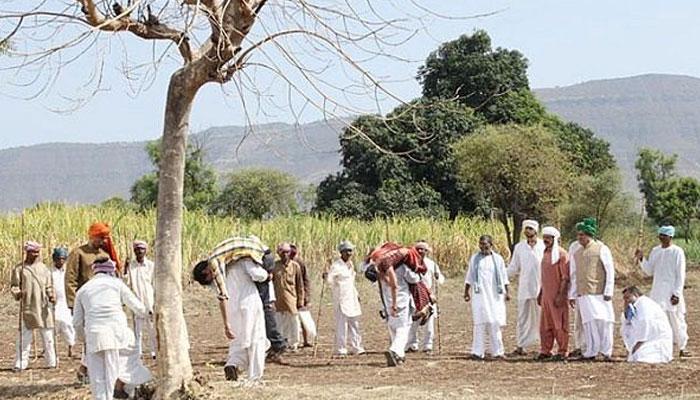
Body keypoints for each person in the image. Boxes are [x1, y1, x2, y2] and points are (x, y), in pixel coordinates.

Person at [73, 258, 151, 400]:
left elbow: (77, 322)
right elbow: (137, 307)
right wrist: (149, 313)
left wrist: (84, 339)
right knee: (118, 371)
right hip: (117, 336)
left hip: (94, 337)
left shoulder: (83, 290)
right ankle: (121, 386)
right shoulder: (116, 284)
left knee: (98, 381)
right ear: (111, 271)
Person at [635, 225, 689, 357]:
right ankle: (660, 346)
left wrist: (676, 293)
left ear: (670, 237)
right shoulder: (655, 251)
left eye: (664, 235)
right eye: (660, 235)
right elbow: (649, 270)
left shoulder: (677, 252)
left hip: (671, 291)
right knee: (657, 319)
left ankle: (682, 347)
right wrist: (642, 259)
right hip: (657, 291)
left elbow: (680, 274)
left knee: (676, 319)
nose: (661, 238)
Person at [568, 217, 615, 361]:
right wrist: (572, 294)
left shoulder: (601, 248)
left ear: (589, 235)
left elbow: (610, 270)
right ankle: (591, 351)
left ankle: (606, 352)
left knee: (604, 322)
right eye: (578, 235)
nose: (579, 237)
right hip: (583, 293)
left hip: (599, 293)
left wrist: (608, 291)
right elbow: (574, 274)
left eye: (582, 235)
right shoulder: (576, 251)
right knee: (588, 324)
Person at [11, 241, 57, 371]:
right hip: (28, 307)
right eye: (33, 252)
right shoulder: (19, 269)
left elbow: (49, 286)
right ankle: (20, 363)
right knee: (24, 338)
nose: (36, 254)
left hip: (43, 308)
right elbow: (14, 286)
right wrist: (18, 293)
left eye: (37, 252)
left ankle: (51, 362)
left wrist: (52, 296)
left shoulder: (44, 268)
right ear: (27, 252)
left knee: (48, 337)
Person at [464, 235, 510, 360]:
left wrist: (507, 292)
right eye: (481, 244)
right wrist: (466, 292)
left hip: (495, 296)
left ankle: (498, 352)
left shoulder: (498, 259)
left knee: (495, 322)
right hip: (480, 295)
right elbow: (470, 276)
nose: (483, 247)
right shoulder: (475, 259)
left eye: (485, 244)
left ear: (491, 245)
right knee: (480, 322)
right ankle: (477, 352)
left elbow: (504, 277)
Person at [507, 219, 545, 356]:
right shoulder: (520, 247)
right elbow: (514, 267)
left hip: (541, 289)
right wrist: (501, 276)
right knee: (522, 318)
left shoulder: (543, 245)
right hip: (524, 289)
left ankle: (544, 346)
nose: (528, 231)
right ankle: (521, 345)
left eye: (530, 228)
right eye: (526, 229)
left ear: (536, 230)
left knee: (542, 318)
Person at [536, 227, 570, 361]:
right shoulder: (544, 253)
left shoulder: (562, 254)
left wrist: (561, 295)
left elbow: (565, 278)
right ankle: (545, 350)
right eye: (545, 237)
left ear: (554, 239)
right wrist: (541, 293)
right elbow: (544, 277)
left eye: (549, 238)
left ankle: (562, 351)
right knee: (545, 324)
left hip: (557, 296)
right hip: (546, 296)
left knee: (559, 324)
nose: (546, 240)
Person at [326, 241, 365, 357]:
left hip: (351, 297)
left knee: (355, 323)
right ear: (341, 253)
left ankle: (356, 347)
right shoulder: (336, 266)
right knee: (341, 324)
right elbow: (330, 280)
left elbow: (351, 282)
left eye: (350, 251)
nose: (348, 253)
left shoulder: (351, 265)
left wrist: (356, 294)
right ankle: (341, 349)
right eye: (346, 251)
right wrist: (327, 276)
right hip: (341, 298)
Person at [406, 240, 444, 354]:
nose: (421, 251)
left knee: (429, 322)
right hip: (413, 295)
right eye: (419, 249)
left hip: (429, 296)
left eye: (423, 249)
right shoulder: (409, 263)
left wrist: (437, 276)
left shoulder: (431, 264)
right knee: (413, 321)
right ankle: (412, 344)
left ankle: (428, 345)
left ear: (427, 251)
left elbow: (441, 279)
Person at [381, 260, 421, 367]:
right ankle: (394, 350)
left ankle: (400, 355)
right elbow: (413, 279)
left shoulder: (382, 268)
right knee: (403, 328)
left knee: (393, 328)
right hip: (401, 301)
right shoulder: (402, 267)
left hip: (387, 301)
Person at [621, 286, 673, 364]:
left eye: (628, 297)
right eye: (624, 299)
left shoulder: (644, 305)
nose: (626, 300)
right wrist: (626, 305)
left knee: (640, 356)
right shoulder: (635, 305)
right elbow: (627, 320)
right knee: (635, 356)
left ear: (635, 294)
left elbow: (646, 325)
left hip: (656, 338)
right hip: (648, 338)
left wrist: (638, 344)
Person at [125, 240, 156, 360]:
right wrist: (125, 268)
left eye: (142, 249)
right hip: (136, 300)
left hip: (149, 300)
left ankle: (154, 352)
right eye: (137, 249)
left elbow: (154, 282)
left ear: (146, 251)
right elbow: (126, 281)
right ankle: (139, 353)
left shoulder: (151, 265)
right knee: (137, 329)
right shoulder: (131, 265)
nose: (139, 251)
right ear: (134, 251)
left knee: (152, 328)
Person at [272, 243, 305, 351]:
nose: (285, 255)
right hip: (278, 300)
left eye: (287, 252)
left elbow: (300, 284)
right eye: (282, 252)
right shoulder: (274, 266)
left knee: (294, 322)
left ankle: (294, 343)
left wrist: (301, 300)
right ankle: (282, 343)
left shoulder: (295, 266)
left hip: (292, 299)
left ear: (290, 253)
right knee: (280, 323)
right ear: (279, 254)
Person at [290, 243, 317, 348]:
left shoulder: (299, 262)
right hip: (290, 294)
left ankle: (305, 340)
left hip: (300, 293)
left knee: (304, 318)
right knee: (292, 319)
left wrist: (306, 297)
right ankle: (294, 341)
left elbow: (305, 280)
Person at [51, 247, 76, 359]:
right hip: (53, 303)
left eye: (62, 259)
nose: (60, 261)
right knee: (53, 326)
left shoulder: (69, 272)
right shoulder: (49, 272)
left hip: (66, 302)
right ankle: (49, 350)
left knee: (68, 325)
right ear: (54, 259)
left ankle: (71, 347)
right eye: (58, 259)